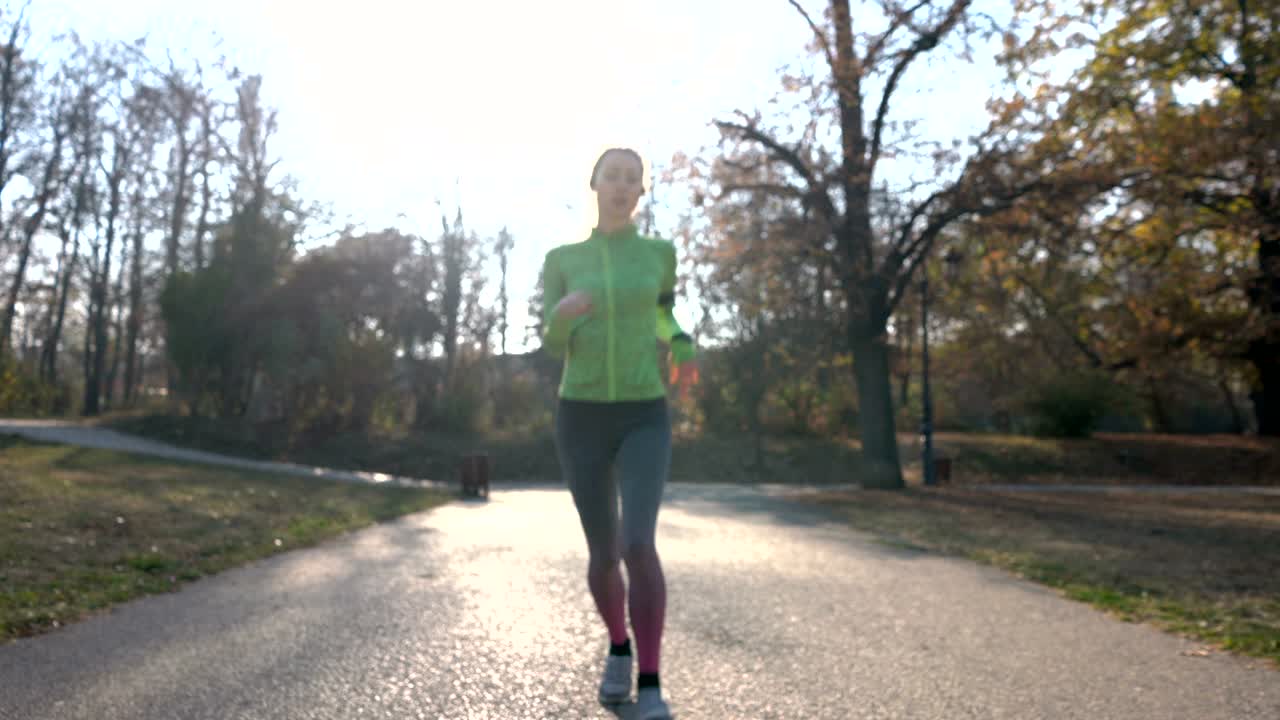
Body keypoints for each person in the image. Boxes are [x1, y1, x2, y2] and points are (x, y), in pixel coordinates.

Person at [540, 147, 699, 720]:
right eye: (613, 176)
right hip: (579, 414)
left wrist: (679, 338)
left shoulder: (659, 254)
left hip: (643, 412)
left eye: (633, 179)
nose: (622, 186)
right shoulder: (563, 257)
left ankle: (652, 682)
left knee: (638, 542)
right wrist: (563, 315)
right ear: (595, 183)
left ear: (641, 191)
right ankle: (618, 648)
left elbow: (661, 314)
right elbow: (550, 343)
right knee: (604, 552)